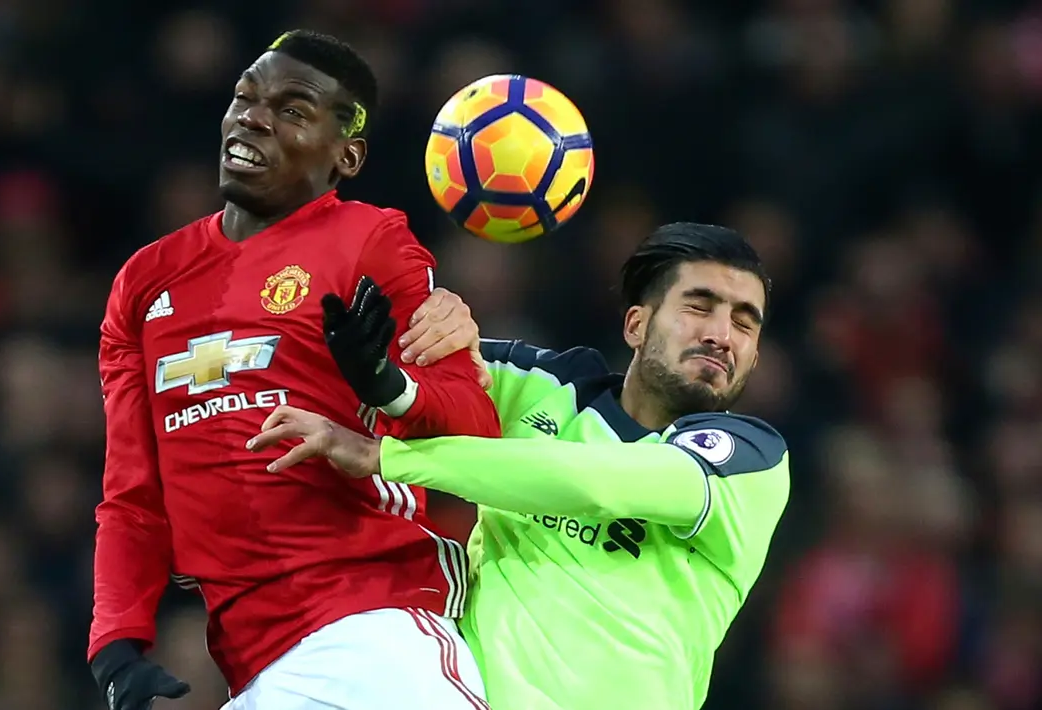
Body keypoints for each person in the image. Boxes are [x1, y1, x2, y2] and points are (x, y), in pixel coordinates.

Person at [89, 29, 501, 710]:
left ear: (348, 154)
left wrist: (387, 389)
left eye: (292, 109)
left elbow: (476, 427)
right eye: (245, 97)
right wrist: (115, 641)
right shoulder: (144, 282)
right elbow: (131, 492)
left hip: (374, 628)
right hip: (253, 664)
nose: (252, 116)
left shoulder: (371, 241)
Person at [249, 223, 792, 710]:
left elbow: (595, 483)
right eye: (700, 306)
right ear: (636, 325)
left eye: (745, 323)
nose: (722, 335)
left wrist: (388, 457)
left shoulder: (751, 460)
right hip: (455, 691)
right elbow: (429, 375)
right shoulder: (543, 385)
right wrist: (431, 330)